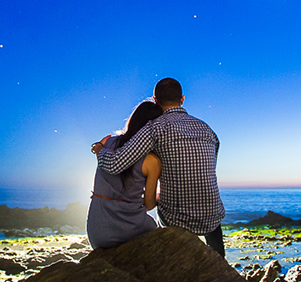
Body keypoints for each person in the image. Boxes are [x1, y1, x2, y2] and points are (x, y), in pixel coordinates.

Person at [91, 78, 225, 257]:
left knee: (159, 214)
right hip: (212, 217)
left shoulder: (155, 128)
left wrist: (100, 150)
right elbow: (208, 169)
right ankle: (220, 260)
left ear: (155, 100)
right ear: (182, 99)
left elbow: (115, 164)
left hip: (176, 222)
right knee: (214, 239)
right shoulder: (207, 130)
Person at [86, 100, 164, 249]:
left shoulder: (106, 144)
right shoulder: (152, 161)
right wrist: (161, 197)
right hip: (132, 230)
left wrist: (99, 148)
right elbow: (149, 204)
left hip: (98, 232)